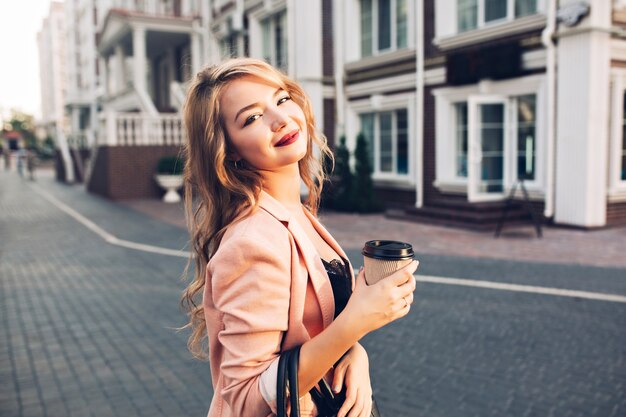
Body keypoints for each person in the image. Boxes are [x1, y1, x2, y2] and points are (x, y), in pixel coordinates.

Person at [180, 58, 418, 417]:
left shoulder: (296, 213)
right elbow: (245, 400)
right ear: (228, 151)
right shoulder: (251, 241)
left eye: (280, 99)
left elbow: (302, 332)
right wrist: (358, 320)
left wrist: (354, 351)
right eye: (252, 118)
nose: (280, 120)